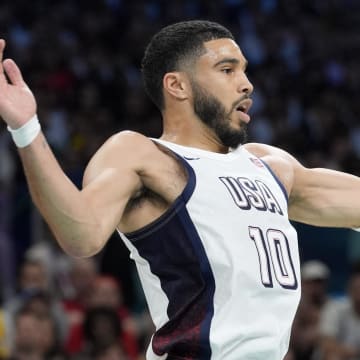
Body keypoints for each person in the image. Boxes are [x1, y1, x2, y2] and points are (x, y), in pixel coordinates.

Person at [0, 19, 359, 360]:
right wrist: (27, 129)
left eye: (245, 70)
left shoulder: (272, 166)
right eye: (227, 69)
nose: (246, 83)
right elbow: (81, 235)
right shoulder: (145, 156)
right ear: (177, 85)